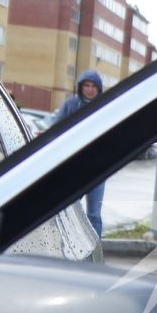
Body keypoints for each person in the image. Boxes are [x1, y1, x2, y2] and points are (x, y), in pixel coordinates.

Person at [54, 69, 106, 234]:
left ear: (98, 89)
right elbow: (56, 132)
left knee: (94, 215)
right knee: (69, 212)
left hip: (97, 169)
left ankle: (96, 256)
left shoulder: (105, 108)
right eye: (86, 85)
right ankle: (68, 251)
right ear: (80, 87)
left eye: (93, 86)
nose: (90, 89)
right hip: (74, 168)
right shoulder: (70, 105)